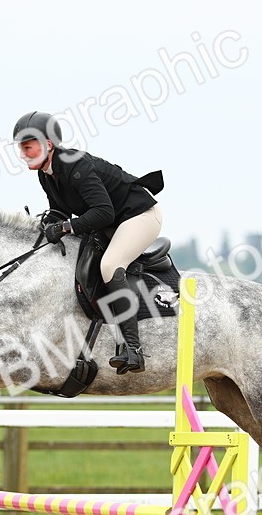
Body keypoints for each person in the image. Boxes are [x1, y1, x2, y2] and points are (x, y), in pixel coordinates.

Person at [13, 110, 164, 374]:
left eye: (28, 147)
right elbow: (60, 213)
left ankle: (133, 349)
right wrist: (46, 227)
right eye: (21, 148)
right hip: (110, 223)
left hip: (139, 216)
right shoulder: (46, 173)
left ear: (48, 144)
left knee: (110, 265)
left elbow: (103, 211)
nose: (23, 153)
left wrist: (66, 226)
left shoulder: (76, 166)